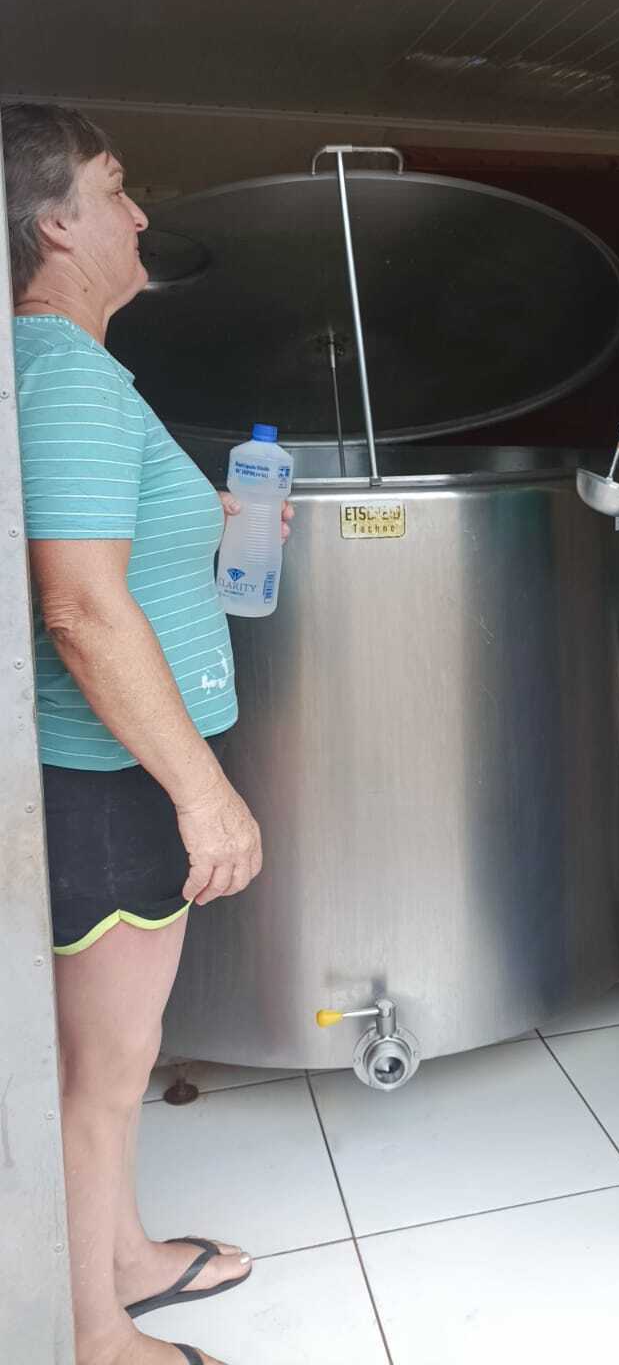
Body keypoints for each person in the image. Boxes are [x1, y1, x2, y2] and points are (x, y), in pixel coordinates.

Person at [6, 102, 291, 1365]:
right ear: (55, 222)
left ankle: (121, 1254)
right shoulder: (62, 367)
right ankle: (91, 1333)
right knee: (103, 1066)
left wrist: (208, 518)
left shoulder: (65, 366)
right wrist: (203, 792)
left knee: (122, 1052)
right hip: (110, 776)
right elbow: (78, 604)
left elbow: (92, 549)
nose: (139, 213)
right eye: (115, 188)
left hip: (113, 772)